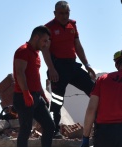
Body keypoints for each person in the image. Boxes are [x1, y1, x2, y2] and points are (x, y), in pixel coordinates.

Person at [42, 1, 96, 138]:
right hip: (58, 67)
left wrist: (87, 65)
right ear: (55, 13)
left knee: (94, 90)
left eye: (67, 13)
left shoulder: (73, 25)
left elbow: (78, 46)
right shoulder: (48, 28)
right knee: (57, 99)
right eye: (61, 13)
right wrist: (52, 69)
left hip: (73, 65)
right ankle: (54, 130)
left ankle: (101, 124)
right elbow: (45, 51)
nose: (64, 16)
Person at [13, 26, 55, 147]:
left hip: (36, 96)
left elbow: (35, 77)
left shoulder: (36, 54)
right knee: (26, 129)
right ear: (36, 37)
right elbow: (19, 73)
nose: (45, 44)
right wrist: (26, 93)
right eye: (44, 41)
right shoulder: (23, 51)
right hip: (23, 96)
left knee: (49, 125)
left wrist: (43, 94)